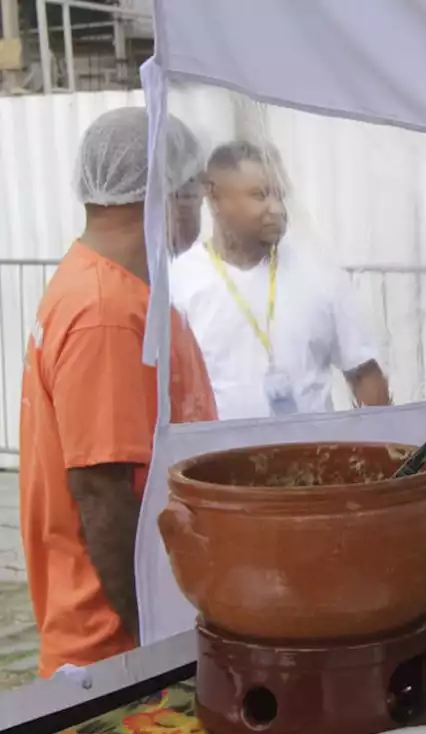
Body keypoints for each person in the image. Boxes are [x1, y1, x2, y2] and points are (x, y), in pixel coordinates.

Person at [19, 107, 217, 677]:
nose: (197, 206)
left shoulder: (122, 290)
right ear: (166, 194)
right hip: (112, 650)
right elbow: (102, 492)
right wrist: (151, 643)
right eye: (194, 190)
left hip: (135, 630)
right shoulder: (105, 312)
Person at [170, 140, 390, 419]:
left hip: (312, 457)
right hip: (219, 460)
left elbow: (364, 374)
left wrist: (382, 453)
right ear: (213, 197)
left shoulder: (319, 273)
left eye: (280, 196)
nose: (276, 209)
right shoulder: (179, 281)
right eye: (260, 195)